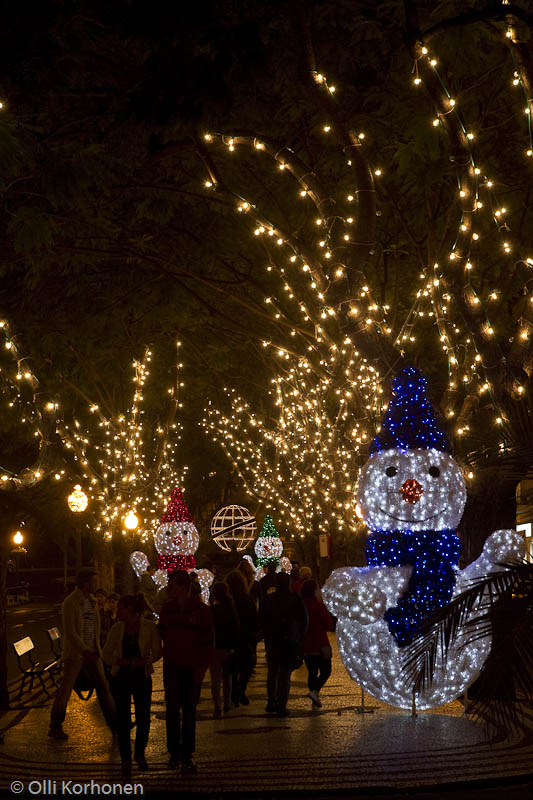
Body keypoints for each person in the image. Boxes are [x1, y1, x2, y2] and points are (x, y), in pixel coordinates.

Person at [49, 567, 116, 740]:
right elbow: (71, 631)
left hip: (93, 652)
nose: (96, 585)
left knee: (104, 687)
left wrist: (95, 649)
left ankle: (115, 724)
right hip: (76, 654)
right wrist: (84, 650)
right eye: (93, 581)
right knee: (66, 688)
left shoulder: (92, 601)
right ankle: (55, 725)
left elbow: (95, 627)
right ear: (85, 583)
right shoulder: (71, 602)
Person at [159, 570, 214, 774]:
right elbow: (161, 633)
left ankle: (187, 754)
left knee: (189, 711)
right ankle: (174, 753)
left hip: (191, 667)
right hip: (172, 666)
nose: (167, 588)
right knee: (172, 710)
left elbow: (208, 642)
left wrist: (202, 668)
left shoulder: (201, 611)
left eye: (171, 585)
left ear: (182, 587)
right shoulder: (168, 609)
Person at [102, 594, 162, 776]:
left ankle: (140, 753)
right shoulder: (117, 628)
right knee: (123, 718)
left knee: (143, 716)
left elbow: (157, 652)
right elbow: (106, 654)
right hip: (120, 677)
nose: (118, 611)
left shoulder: (149, 627)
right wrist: (121, 662)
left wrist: (146, 660)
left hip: (141, 676)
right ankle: (126, 759)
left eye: (122, 608)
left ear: (132, 611)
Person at [259, 571, 308, 717]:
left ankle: (271, 701)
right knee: (285, 673)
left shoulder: (268, 600)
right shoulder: (295, 599)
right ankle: (282, 704)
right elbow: (304, 620)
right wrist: (299, 637)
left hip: (273, 640)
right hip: (289, 640)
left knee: (272, 671)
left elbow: (261, 619)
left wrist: (266, 635)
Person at [225, 570, 259, 707]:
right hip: (245, 637)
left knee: (232, 668)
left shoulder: (227, 600)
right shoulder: (247, 598)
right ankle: (240, 690)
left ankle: (236, 691)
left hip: (229, 638)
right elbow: (253, 618)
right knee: (247, 666)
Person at [300, 579, 335, 708]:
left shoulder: (301, 605)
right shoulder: (319, 605)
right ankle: (315, 692)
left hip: (306, 644)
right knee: (326, 671)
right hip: (320, 643)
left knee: (312, 671)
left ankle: (314, 697)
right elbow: (329, 624)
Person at [209, 581, 239, 717]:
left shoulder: (212, 610)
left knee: (215, 679)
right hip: (228, 647)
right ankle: (227, 702)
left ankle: (217, 707)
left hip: (215, 647)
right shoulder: (231, 609)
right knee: (227, 677)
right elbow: (235, 628)